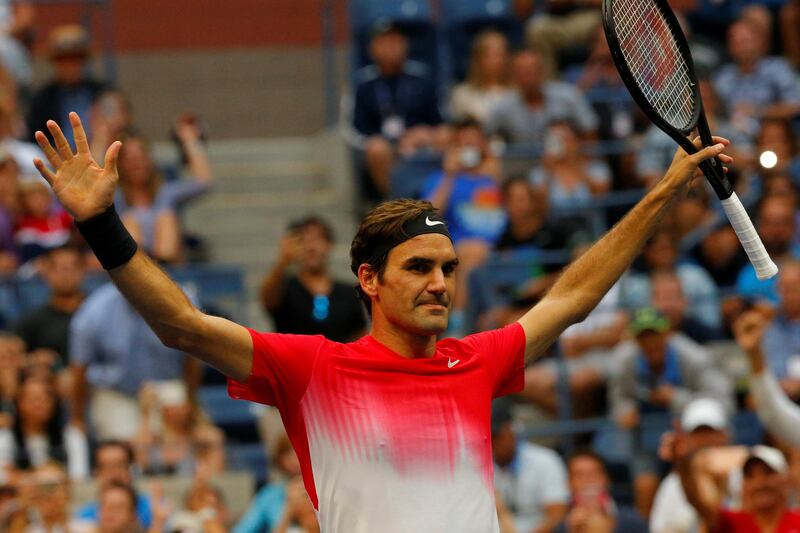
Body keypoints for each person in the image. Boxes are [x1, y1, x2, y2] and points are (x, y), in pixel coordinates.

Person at [32, 112, 731, 533]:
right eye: (419, 267)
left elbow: (571, 296)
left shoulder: (475, 359)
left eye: (448, 268)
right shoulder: (313, 369)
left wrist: (666, 189)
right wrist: (100, 222)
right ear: (368, 280)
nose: (439, 282)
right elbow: (181, 323)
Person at [608, 307, 733, 516]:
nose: (650, 343)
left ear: (668, 334)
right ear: (635, 340)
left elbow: (724, 401)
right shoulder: (623, 362)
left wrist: (676, 398)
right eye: (643, 337)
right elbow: (617, 399)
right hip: (646, 435)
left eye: (654, 335)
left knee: (702, 478)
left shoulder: (694, 357)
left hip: (693, 433)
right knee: (644, 485)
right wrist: (625, 410)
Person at [69, 282, 201, 441]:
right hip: (116, 391)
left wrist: (192, 401)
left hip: (167, 384)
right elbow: (80, 368)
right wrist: (77, 417)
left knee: (179, 435)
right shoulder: (93, 310)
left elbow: (192, 359)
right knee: (120, 450)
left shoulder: (182, 300)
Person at [422, 118, 505, 332]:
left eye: (474, 143)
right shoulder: (440, 179)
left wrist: (497, 176)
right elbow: (428, 216)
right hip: (458, 250)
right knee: (473, 251)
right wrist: (450, 175)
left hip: (502, 247)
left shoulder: (493, 177)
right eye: (463, 144)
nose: (470, 149)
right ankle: (458, 323)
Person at [351, 22, 445, 197]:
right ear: (373, 49)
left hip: (419, 142)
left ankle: (440, 196)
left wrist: (424, 134)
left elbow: (439, 121)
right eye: (385, 43)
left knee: (445, 135)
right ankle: (396, 204)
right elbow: (357, 129)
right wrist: (387, 140)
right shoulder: (364, 84)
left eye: (396, 42)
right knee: (377, 148)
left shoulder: (421, 77)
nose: (391, 48)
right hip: (384, 146)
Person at [259, 216, 366, 343]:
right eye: (303, 241)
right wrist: (283, 262)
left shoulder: (348, 293)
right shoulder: (285, 288)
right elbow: (268, 300)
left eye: (317, 239)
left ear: (329, 245)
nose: (311, 247)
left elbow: (359, 333)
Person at [649, 398, 731, 533]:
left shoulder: (747, 474)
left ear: (724, 434)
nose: (705, 440)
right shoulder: (671, 485)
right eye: (698, 434)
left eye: (710, 432)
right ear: (687, 439)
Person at [487, 50, 598, 147]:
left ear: (542, 71)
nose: (529, 76)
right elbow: (485, 134)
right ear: (514, 76)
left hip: (565, 162)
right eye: (523, 72)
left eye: (532, 70)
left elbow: (590, 131)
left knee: (598, 171)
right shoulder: (503, 107)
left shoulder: (569, 96)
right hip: (521, 166)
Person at [679, 444, 800, 532]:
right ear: (743, 485)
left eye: (768, 473)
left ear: (786, 479)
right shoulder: (732, 522)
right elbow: (700, 503)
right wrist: (682, 462)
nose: (760, 483)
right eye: (750, 476)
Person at [713, 18, 800, 138]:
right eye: (736, 42)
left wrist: (757, 111)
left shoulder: (778, 68)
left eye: (746, 41)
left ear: (760, 42)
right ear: (729, 46)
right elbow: (715, 112)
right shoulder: (722, 77)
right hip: (734, 139)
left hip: (776, 139)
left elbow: (795, 105)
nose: (742, 47)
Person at [492, 400, 569, 533]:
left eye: (497, 436)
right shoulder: (478, 469)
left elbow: (557, 514)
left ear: (512, 429)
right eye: (489, 436)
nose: (493, 443)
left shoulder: (545, 460)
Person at [27, 25, 106, 147]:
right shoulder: (42, 99)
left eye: (75, 58)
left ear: (84, 60)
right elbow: (34, 138)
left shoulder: (102, 92)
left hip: (99, 156)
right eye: (63, 59)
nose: (69, 65)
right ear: (55, 62)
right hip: (58, 160)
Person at [0, 375, 89, 481]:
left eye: (45, 399)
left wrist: (27, 475)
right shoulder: (6, 437)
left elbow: (79, 476)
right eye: (33, 399)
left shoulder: (71, 435)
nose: (39, 405)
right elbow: (3, 477)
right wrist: (39, 475)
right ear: (19, 404)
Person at [12, 245, 84, 371]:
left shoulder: (97, 314)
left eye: (72, 268)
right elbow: (9, 350)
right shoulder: (35, 319)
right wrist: (32, 359)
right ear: (46, 273)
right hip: (50, 383)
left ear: (83, 271)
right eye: (58, 268)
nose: (65, 274)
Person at [554, 450, 648, 533]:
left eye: (593, 473)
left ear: (607, 479)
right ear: (569, 483)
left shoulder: (632, 520)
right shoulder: (563, 527)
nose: (587, 480)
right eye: (579, 475)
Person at [528, 120, 611, 210]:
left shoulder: (596, 168)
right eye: (554, 139)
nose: (560, 144)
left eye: (565, 139)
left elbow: (601, 196)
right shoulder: (539, 173)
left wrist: (575, 164)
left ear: (577, 141)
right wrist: (548, 171)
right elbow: (539, 206)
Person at [75, 441, 153, 528]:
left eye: (119, 465)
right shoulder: (84, 517)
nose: (113, 473)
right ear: (96, 472)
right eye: (106, 466)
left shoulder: (152, 509)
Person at [449, 30, 514, 126]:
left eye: (501, 54)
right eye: (490, 55)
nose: (496, 60)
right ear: (478, 59)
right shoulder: (462, 94)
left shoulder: (519, 93)